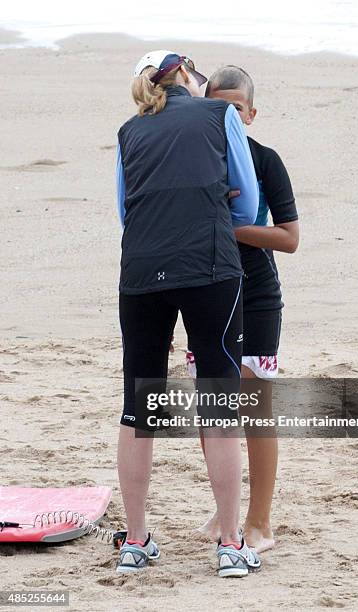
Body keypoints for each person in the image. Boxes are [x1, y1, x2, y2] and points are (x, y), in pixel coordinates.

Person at [115, 51, 262, 577]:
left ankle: (135, 541)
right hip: (210, 266)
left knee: (140, 408)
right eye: (194, 71)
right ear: (181, 75)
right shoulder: (219, 115)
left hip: (141, 271)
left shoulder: (128, 131)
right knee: (219, 401)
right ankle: (230, 544)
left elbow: (124, 210)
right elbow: (247, 206)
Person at [187, 65, 299, 552]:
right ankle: (226, 511)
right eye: (219, 107)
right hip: (205, 294)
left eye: (237, 108)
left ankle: (260, 521)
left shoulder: (265, 160)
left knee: (255, 411)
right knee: (213, 411)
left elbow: (289, 239)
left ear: (250, 114)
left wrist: (227, 229)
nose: (228, 115)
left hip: (255, 295)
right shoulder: (192, 159)